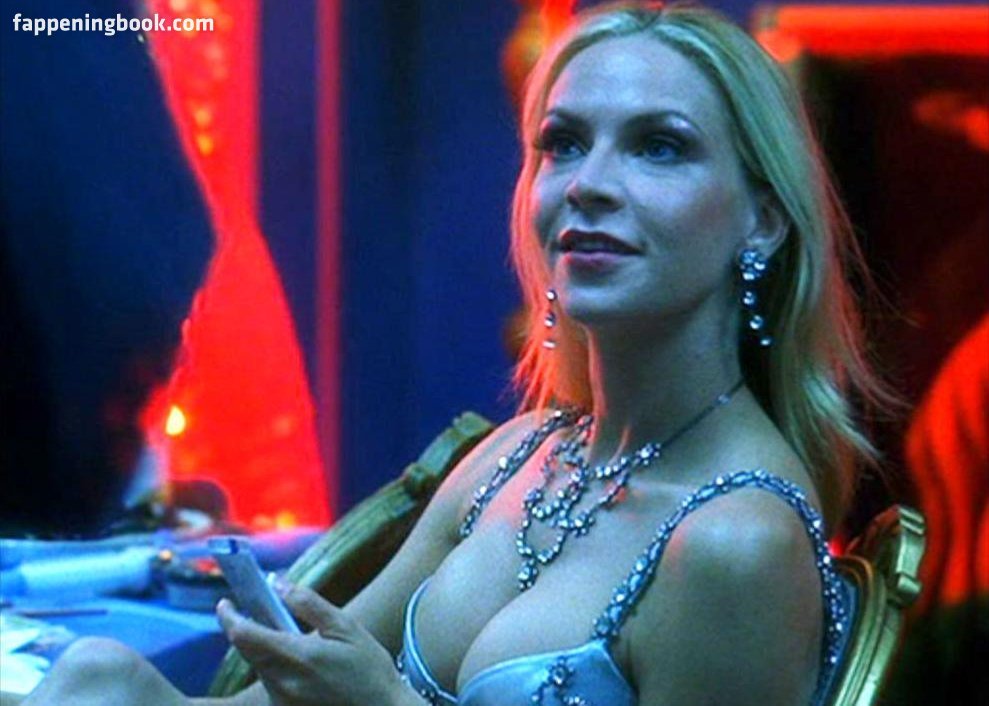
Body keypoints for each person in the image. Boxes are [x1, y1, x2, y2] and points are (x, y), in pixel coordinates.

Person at [22, 2, 888, 705]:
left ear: (761, 221)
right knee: (99, 673)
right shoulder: (517, 455)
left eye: (658, 146)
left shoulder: (735, 542)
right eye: (562, 143)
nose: (587, 183)